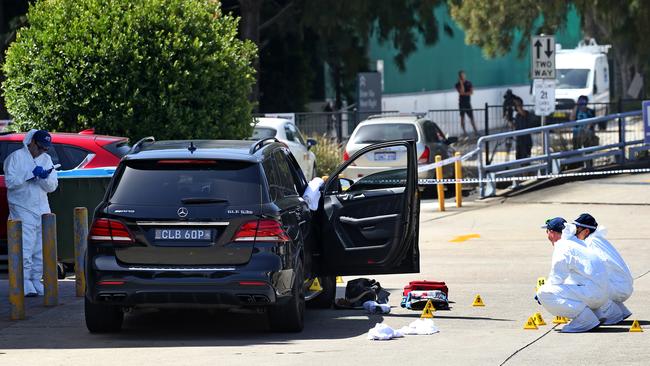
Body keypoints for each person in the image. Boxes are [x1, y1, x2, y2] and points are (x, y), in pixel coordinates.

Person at [3, 129, 58, 297]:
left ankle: (35, 279)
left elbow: (52, 186)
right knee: (25, 246)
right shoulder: (15, 158)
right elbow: (10, 182)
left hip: (42, 209)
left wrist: (44, 177)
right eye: (40, 147)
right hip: (22, 207)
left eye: (46, 148)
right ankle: (24, 280)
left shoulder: (46, 159)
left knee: (40, 247)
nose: (43, 151)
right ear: (32, 143)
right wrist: (29, 175)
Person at [536, 217, 609, 332]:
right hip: (603, 295)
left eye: (547, 232)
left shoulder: (562, 246)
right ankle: (597, 314)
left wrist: (542, 293)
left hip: (593, 293)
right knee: (570, 280)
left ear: (552, 233)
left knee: (544, 293)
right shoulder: (577, 243)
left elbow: (557, 277)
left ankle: (586, 320)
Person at [573, 213, 633, 324]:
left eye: (576, 230)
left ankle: (611, 314)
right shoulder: (597, 240)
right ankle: (621, 310)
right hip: (622, 286)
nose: (574, 233)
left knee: (577, 283)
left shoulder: (590, 243)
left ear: (586, 231)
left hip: (618, 288)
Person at [455, 70, 478, 138]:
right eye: (461, 75)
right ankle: (464, 133)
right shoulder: (457, 84)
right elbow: (461, 92)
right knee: (462, 118)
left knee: (471, 118)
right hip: (461, 103)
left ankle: (476, 131)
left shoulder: (469, 83)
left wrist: (464, 93)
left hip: (468, 103)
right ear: (459, 77)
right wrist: (461, 83)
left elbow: (471, 92)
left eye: (463, 75)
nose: (463, 76)